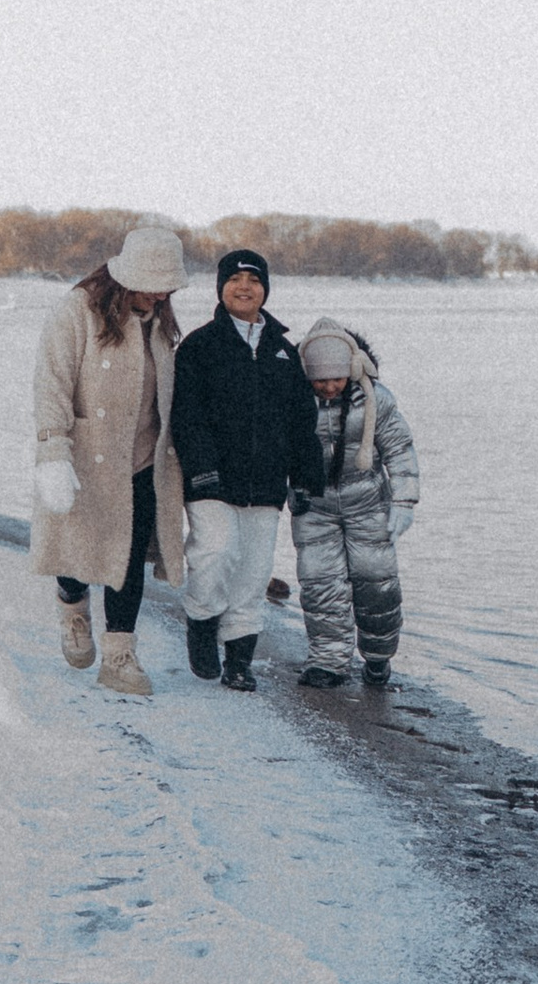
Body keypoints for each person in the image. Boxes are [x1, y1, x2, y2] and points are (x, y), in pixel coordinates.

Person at [29, 222, 189, 697]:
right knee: (77, 548)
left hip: (142, 459)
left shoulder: (160, 323)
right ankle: (73, 607)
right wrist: (52, 451)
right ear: (124, 276)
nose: (159, 295)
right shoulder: (75, 311)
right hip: (86, 454)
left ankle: (119, 655)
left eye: (166, 287)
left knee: (129, 558)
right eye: (151, 285)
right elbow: (50, 383)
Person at [168, 245, 324, 689]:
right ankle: (200, 622)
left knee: (254, 574)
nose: (244, 287)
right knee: (215, 553)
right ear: (221, 289)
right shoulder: (200, 347)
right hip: (211, 480)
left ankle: (239, 661)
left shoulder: (282, 351)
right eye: (235, 279)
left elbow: (301, 421)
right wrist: (201, 470)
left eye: (254, 280)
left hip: (266, 483)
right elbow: (187, 417)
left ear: (265, 290)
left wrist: (306, 478)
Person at [292, 322, 419, 688]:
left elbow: (399, 449)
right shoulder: (294, 399)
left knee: (375, 582)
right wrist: (289, 486)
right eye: (321, 380)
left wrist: (404, 501)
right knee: (320, 584)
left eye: (337, 378)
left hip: (367, 504)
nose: (330, 386)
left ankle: (378, 657)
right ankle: (328, 661)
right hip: (314, 507)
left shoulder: (375, 398)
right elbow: (276, 448)